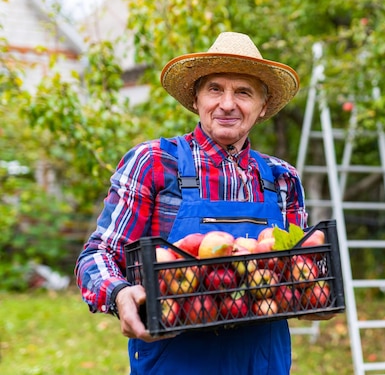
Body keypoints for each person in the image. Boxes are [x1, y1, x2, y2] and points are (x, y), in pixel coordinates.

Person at [75, 32, 330, 375]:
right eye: (215, 89)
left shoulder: (282, 178)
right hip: (177, 361)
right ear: (196, 99)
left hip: (263, 361)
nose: (227, 104)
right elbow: (98, 254)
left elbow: (295, 273)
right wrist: (119, 294)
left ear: (263, 106)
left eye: (243, 92)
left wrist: (314, 294)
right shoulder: (153, 163)